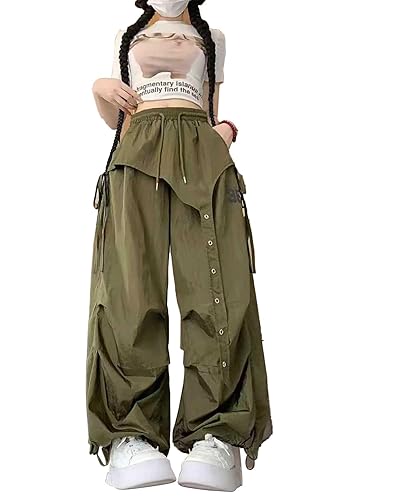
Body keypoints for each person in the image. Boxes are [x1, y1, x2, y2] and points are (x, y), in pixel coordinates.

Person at [86, 0, 273, 491]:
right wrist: (100, 89)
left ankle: (217, 430)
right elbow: (118, 121)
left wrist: (221, 135)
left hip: (199, 151)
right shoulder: (127, 37)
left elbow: (211, 108)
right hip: (137, 151)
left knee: (215, 284)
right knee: (130, 291)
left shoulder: (213, 38)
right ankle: (132, 433)